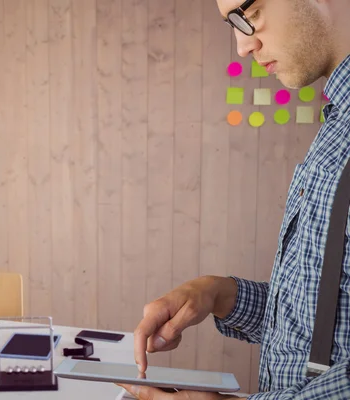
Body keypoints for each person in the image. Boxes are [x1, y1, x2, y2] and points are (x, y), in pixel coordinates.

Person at [118, 0, 350, 399]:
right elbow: (325, 330)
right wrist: (217, 294)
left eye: (251, 13)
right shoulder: (337, 127)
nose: (242, 47)